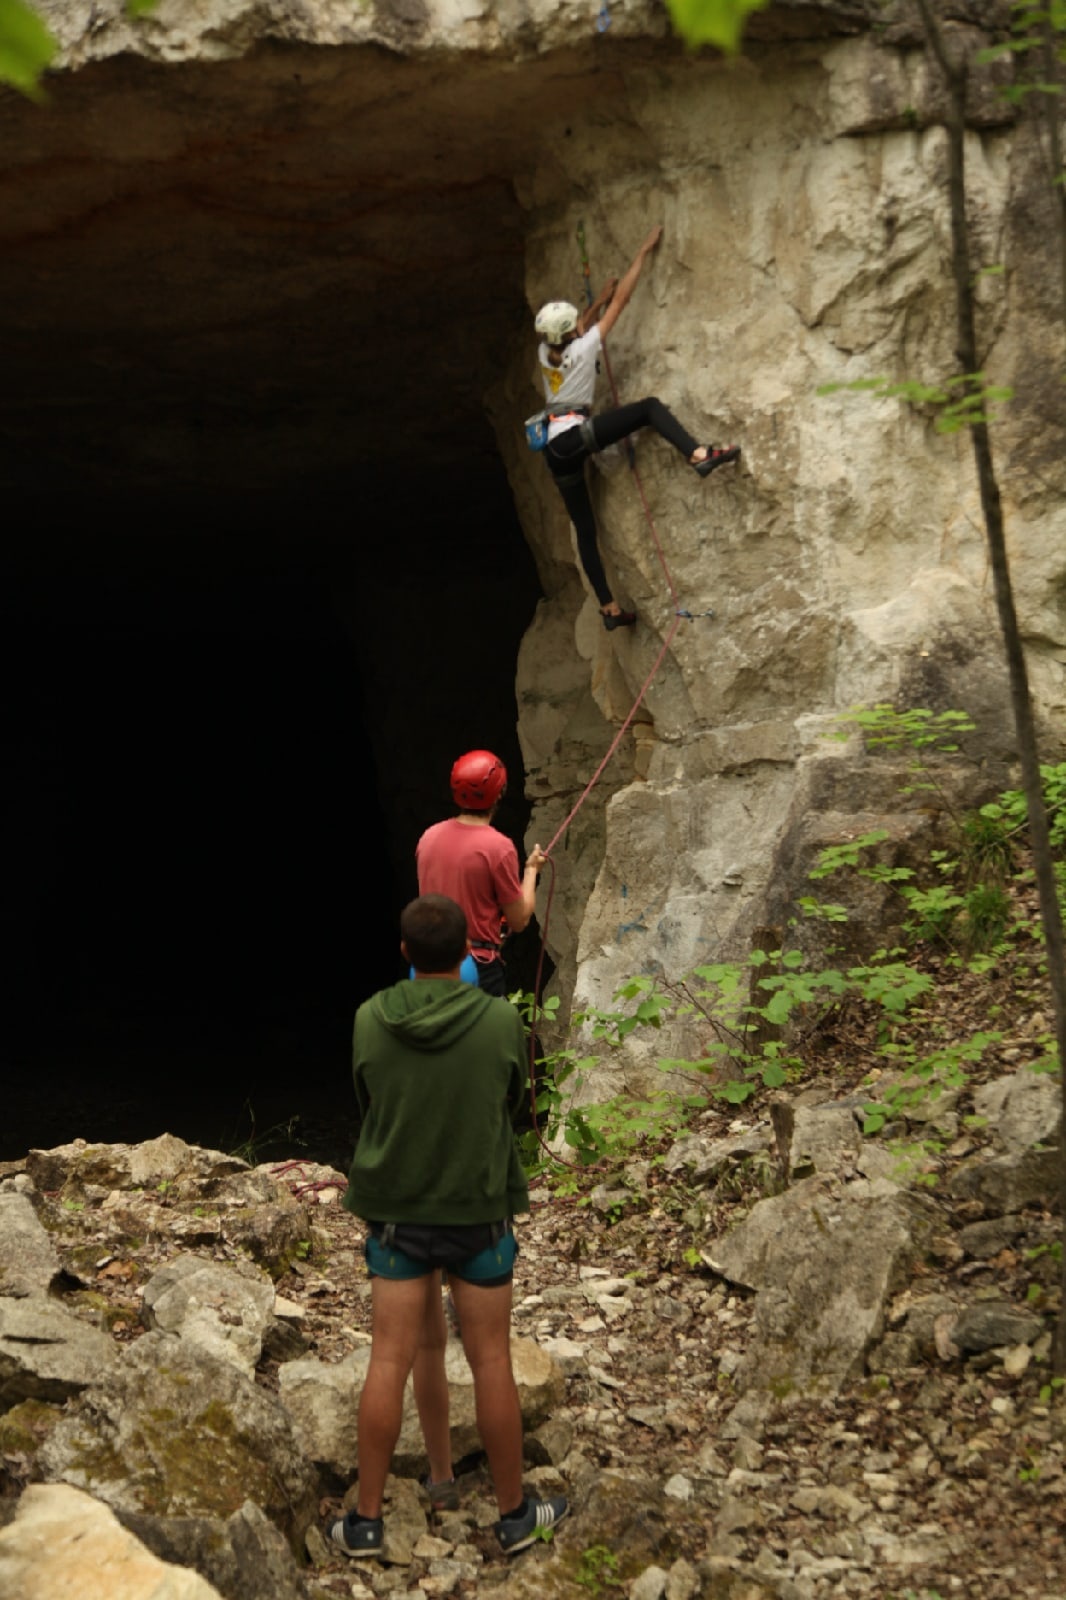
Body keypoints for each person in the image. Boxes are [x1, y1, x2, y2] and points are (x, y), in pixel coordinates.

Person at [329, 893, 568, 1560]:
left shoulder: (369, 1019)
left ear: (404, 953)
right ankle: (518, 1517)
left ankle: (369, 1523)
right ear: (467, 951)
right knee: (491, 1360)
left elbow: (367, 1099)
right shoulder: (497, 1021)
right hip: (478, 1215)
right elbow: (514, 1100)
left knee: (392, 1358)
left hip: (399, 1218)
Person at [535, 223, 740, 631]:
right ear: (571, 333)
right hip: (576, 437)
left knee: (586, 529)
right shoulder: (586, 345)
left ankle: (610, 611)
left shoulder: (547, 352)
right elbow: (623, 301)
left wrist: (595, 307)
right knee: (647, 408)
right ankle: (698, 455)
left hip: (554, 451)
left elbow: (577, 333)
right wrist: (641, 254)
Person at [416, 749, 546, 999]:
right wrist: (530, 872)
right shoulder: (498, 847)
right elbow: (519, 920)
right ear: (500, 793)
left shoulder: (428, 838)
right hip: (477, 967)